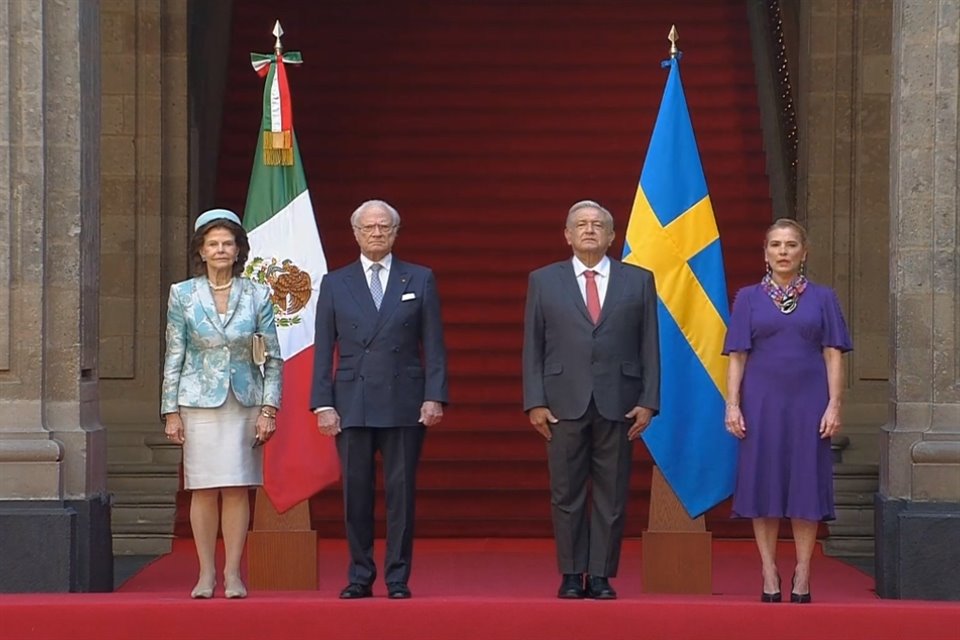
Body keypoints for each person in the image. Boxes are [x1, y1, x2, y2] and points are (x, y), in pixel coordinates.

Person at [522, 199, 660, 600]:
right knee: (565, 493)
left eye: (597, 224)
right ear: (566, 235)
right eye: (580, 224)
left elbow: (649, 344)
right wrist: (535, 401)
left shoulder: (638, 280)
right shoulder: (544, 280)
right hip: (562, 402)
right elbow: (533, 345)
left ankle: (600, 574)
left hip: (619, 400)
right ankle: (570, 572)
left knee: (612, 493)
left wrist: (649, 400)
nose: (588, 230)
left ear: (612, 235)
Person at [311, 199, 448, 600]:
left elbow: (434, 346)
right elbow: (323, 349)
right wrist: (323, 403)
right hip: (351, 400)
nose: (376, 233)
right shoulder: (335, 283)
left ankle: (398, 577)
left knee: (401, 496)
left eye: (383, 227)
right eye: (368, 227)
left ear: (395, 233)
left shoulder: (419, 279)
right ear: (355, 233)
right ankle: (359, 574)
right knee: (356, 494)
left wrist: (434, 396)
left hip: (404, 399)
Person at [723, 218, 852, 604]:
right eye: (776, 245)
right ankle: (767, 569)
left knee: (805, 484)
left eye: (791, 245)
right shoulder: (747, 298)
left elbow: (833, 354)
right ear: (765, 253)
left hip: (809, 401)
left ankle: (803, 570)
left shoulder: (824, 298)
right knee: (764, 484)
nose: (783, 251)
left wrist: (834, 403)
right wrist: (732, 404)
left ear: (804, 252)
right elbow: (737, 356)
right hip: (761, 402)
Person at [161, 208, 282, 599]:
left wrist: (269, 409)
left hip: (243, 400)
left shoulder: (258, 293)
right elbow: (174, 353)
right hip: (197, 402)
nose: (220, 250)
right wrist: (170, 410)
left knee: (236, 487)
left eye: (227, 243)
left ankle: (232, 573)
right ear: (201, 249)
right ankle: (205, 574)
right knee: (203, 488)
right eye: (212, 243)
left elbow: (273, 357)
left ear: (238, 249)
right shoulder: (182, 294)